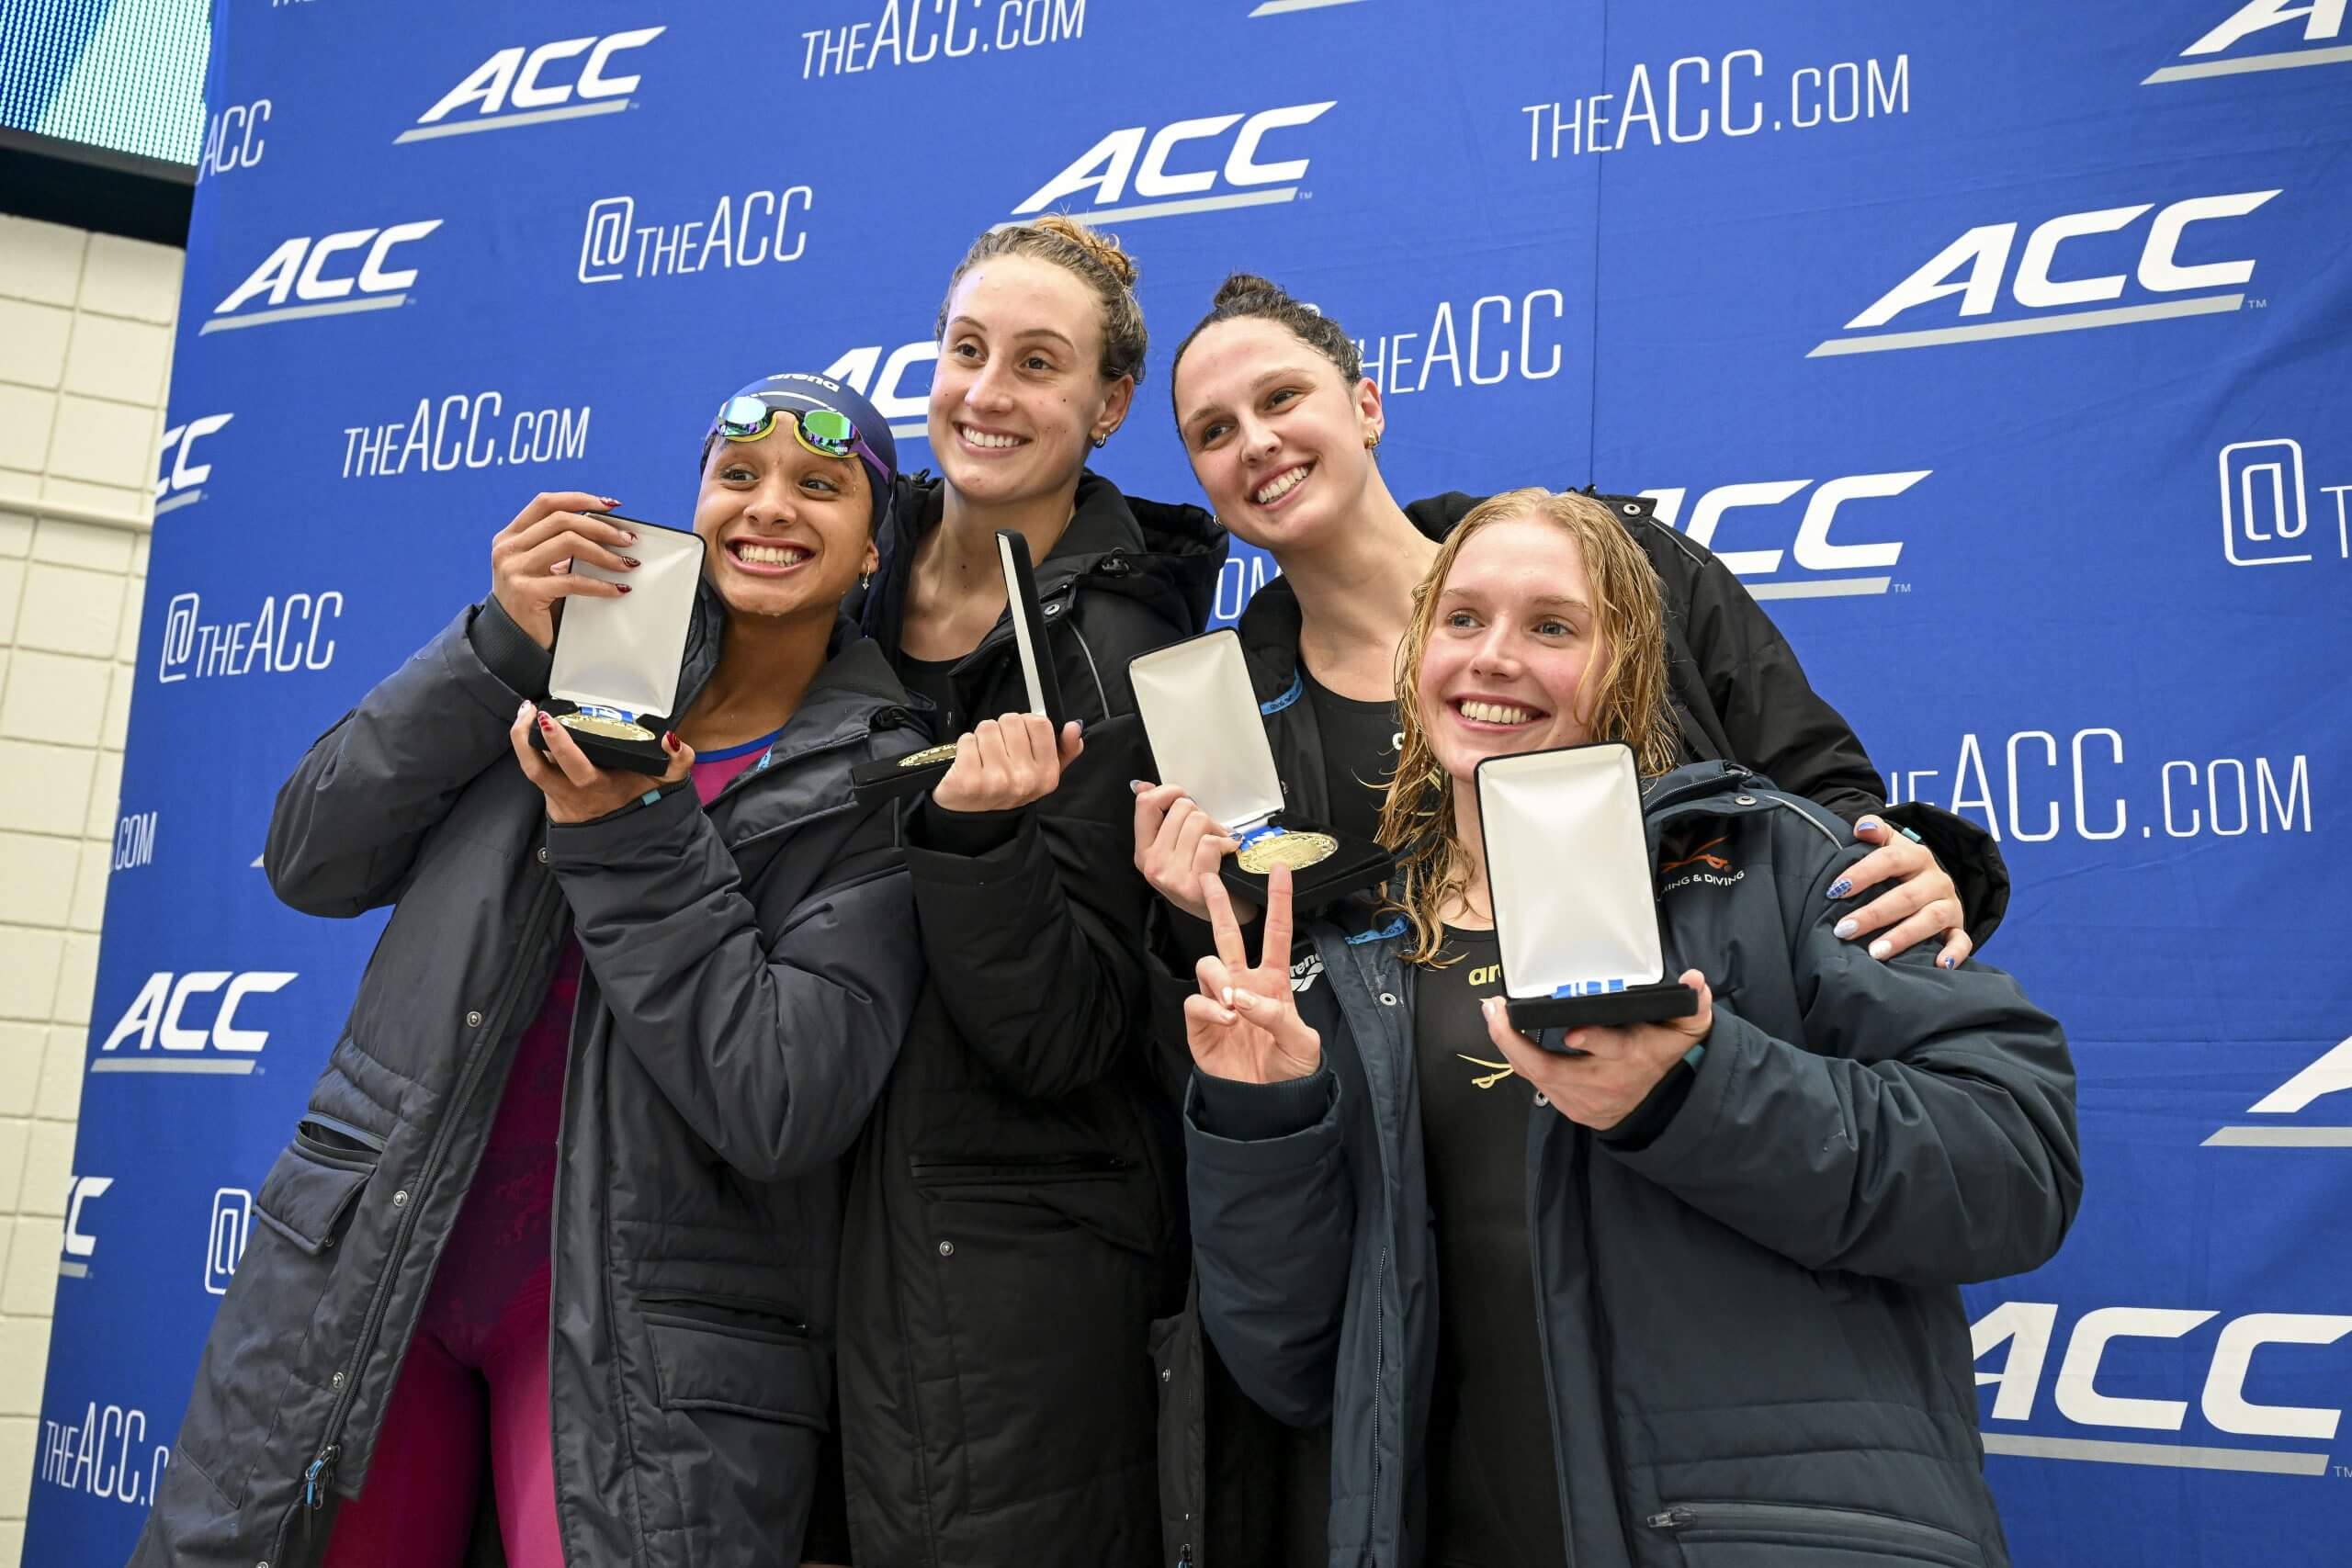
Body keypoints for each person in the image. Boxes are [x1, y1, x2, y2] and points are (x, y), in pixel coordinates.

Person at [1182, 489, 2080, 1568]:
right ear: (1416, 658)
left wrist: (1692, 1096)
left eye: (1551, 626)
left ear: (1629, 666)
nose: (1495, 658)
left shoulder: (1780, 864)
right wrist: (1264, 1116)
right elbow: (1293, 1359)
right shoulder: (1356, 953)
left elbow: (2015, 1164)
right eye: (1462, 621)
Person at [132, 374, 927, 1568]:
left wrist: (631, 832)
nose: (772, 506)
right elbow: (310, 855)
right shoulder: (562, 658)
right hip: (382, 1260)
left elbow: (779, 1094)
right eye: (738, 476)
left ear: (872, 552)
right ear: (696, 505)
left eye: (821, 485)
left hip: (640, 1328)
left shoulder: (879, 779)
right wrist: (492, 646)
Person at [1136, 274, 2005, 969]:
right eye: (1214, 431)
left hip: (1703, 1080)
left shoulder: (1621, 564)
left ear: (1367, 406)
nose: (1255, 441)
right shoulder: (1229, 715)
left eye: (1282, 398)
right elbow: (1281, 987)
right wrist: (1213, 911)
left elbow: (1823, 791)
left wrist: (1907, 864)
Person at [836, 214, 1226, 1566]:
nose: (986, 394)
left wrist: (975, 840)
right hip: (797, 1225)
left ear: (1109, 406)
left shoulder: (1130, 653)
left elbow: (1066, 1026)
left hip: (1011, 1282)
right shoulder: (834, 571)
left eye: (1039, 364)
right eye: (965, 349)